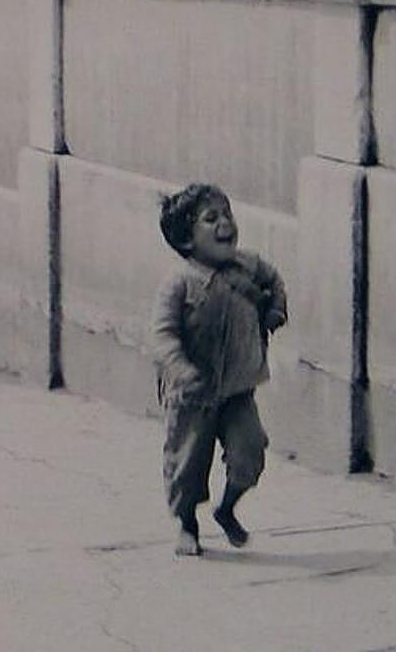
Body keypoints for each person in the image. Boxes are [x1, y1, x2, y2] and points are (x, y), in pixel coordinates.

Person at [150, 183, 288, 557]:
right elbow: (162, 337)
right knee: (187, 466)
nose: (225, 223)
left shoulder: (249, 266)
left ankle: (226, 508)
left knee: (250, 450)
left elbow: (274, 281)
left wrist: (276, 309)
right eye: (211, 218)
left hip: (237, 391)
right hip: (192, 394)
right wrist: (181, 370)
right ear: (186, 240)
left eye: (227, 214)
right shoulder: (179, 284)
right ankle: (187, 524)